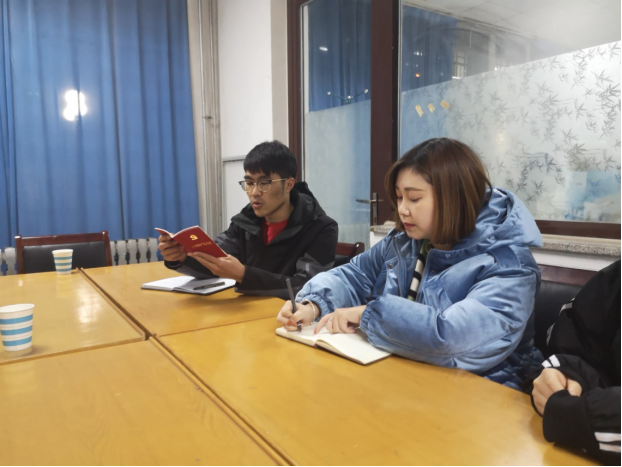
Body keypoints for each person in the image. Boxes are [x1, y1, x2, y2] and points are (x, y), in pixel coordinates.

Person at [277, 137, 544, 390]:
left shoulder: (509, 265)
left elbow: (452, 339)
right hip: (404, 375)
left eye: (414, 199)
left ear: (453, 198)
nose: (402, 209)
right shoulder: (405, 241)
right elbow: (354, 275)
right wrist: (313, 304)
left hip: (486, 395)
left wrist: (367, 314)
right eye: (399, 197)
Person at [159, 141, 338, 300]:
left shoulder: (321, 228)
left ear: (289, 184)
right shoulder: (246, 221)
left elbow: (307, 287)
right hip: (245, 314)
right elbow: (217, 260)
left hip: (291, 319)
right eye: (250, 183)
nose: (254, 192)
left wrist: (243, 275)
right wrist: (181, 258)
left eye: (264, 183)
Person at [532, 261, 620, 466]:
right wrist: (566, 376)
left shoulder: (508, 265)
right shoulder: (612, 282)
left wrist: (572, 414)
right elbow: (576, 348)